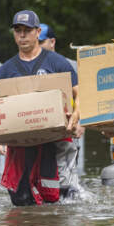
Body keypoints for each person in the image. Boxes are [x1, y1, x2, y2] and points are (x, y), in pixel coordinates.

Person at [0, 10, 80, 206]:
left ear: (37, 31)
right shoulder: (6, 70)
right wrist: (0, 139)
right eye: (18, 31)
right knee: (21, 199)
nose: (22, 35)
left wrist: (76, 116)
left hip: (55, 141)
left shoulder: (56, 62)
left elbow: (79, 93)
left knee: (60, 199)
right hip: (21, 145)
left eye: (27, 30)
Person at [38, 23, 84, 197]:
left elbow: (82, 94)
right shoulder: (30, 66)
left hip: (66, 131)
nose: (38, 45)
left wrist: (82, 122)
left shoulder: (64, 64)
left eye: (41, 42)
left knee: (66, 181)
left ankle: (69, 211)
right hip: (41, 133)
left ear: (52, 42)